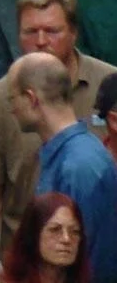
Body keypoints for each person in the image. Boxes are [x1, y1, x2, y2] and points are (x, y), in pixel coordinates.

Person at [7, 54, 117, 283]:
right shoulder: (71, 157)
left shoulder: (78, 166)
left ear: (31, 98)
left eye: (12, 99)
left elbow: (82, 261)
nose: (11, 109)